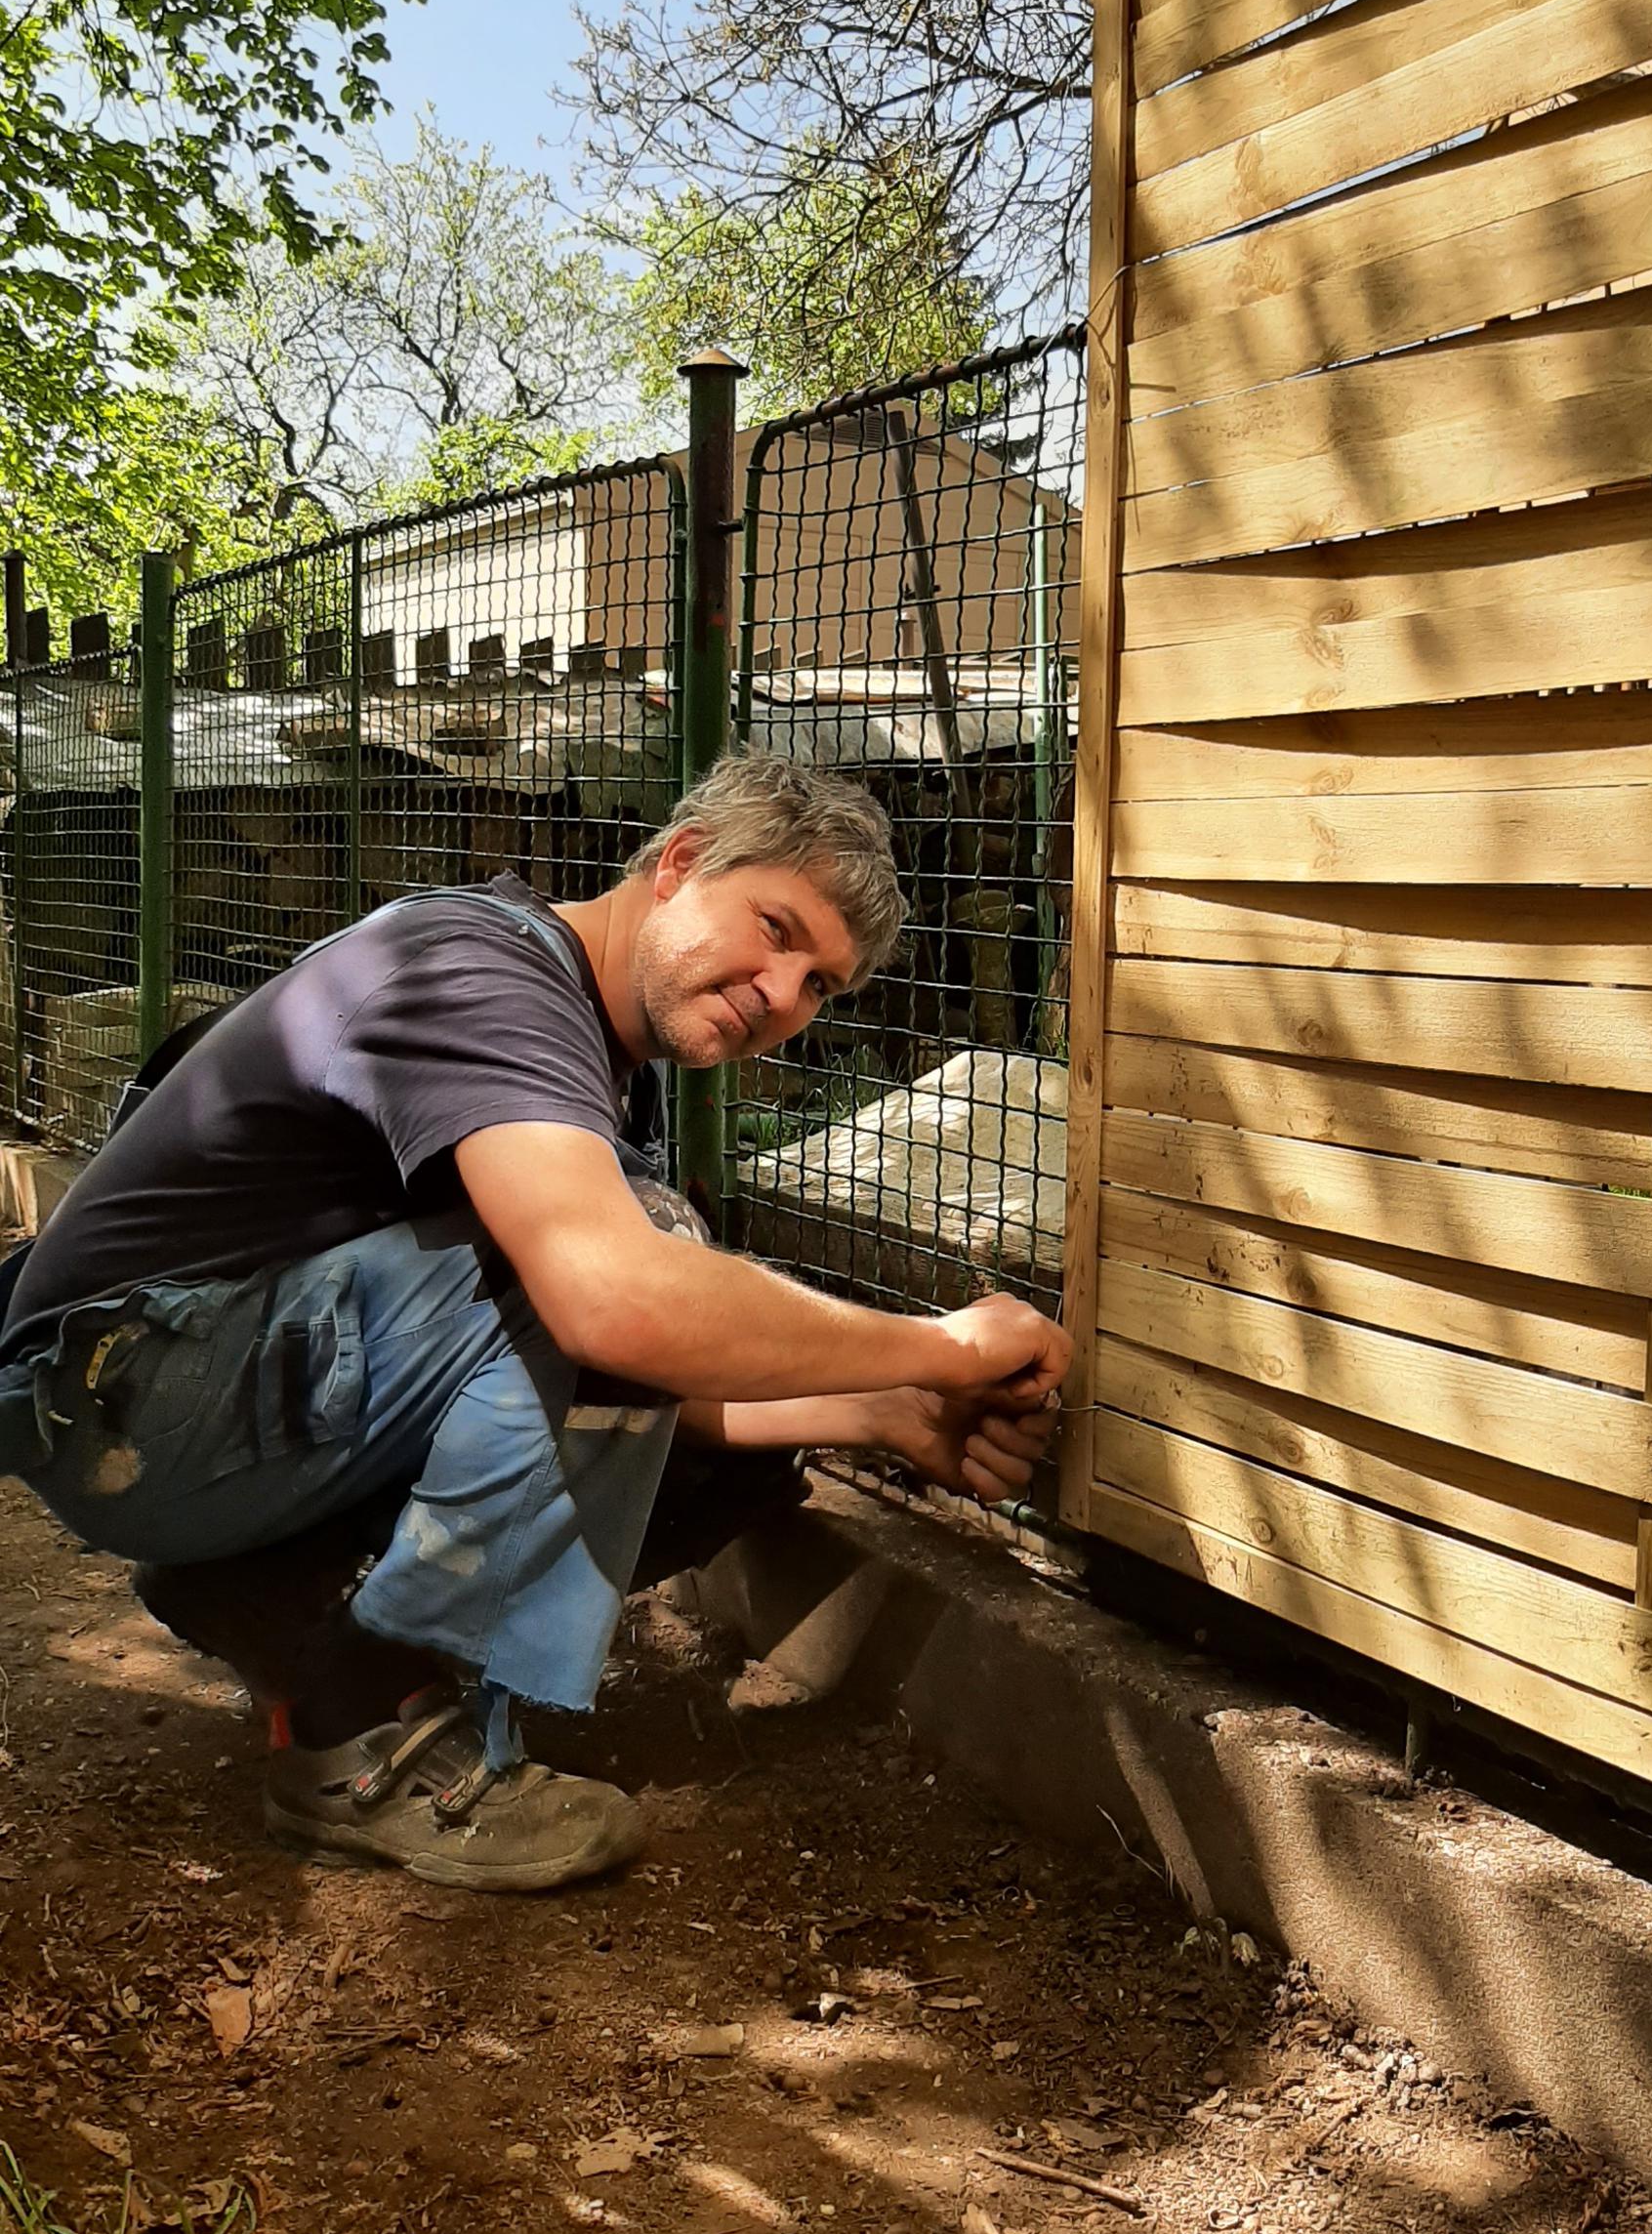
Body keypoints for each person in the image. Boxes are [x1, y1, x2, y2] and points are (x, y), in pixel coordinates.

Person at [0, 751, 1071, 1891]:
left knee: (721, 1403)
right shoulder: (487, 977)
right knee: (653, 1258)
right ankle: (360, 1737)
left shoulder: (604, 1064)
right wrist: (944, 1345)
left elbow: (622, 1369)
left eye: (820, 986)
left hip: (181, 1397)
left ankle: (260, 1588)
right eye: (774, 928)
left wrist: (888, 1410)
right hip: (129, 1392)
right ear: (682, 862)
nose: (781, 994)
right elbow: (611, 1307)